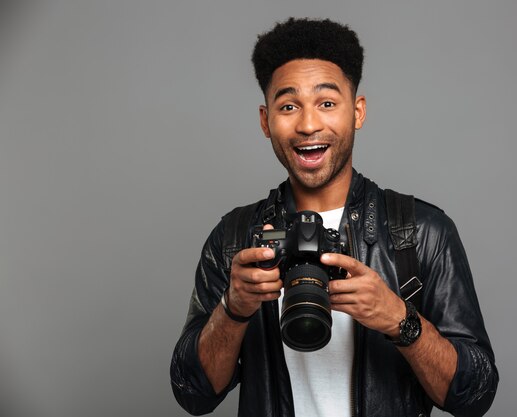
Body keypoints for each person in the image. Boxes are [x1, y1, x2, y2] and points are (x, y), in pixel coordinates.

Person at [170, 17, 498, 417]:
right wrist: (234, 307)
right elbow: (194, 393)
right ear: (265, 121)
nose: (308, 125)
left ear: (357, 111)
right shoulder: (237, 238)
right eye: (288, 106)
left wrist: (398, 318)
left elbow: (475, 395)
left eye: (327, 103)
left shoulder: (418, 233)